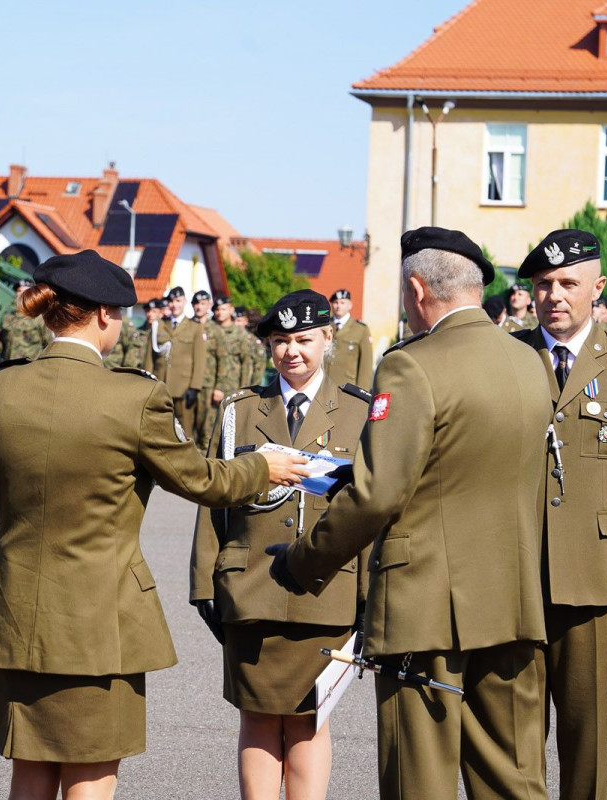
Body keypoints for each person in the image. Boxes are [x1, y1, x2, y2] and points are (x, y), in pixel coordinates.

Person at [0, 249, 310, 800]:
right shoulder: (132, 395)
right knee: (92, 776)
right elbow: (202, 482)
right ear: (102, 315)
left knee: (29, 773)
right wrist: (264, 466)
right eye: (122, 314)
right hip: (100, 618)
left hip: (17, 612)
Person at [269, 227, 552, 800]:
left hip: (427, 607)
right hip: (514, 600)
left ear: (418, 289)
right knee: (513, 780)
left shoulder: (410, 366)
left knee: (417, 782)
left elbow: (377, 494)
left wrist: (304, 562)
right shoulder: (529, 362)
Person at [191, 289, 371, 800]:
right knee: (258, 716)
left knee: (311, 719)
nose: (291, 352)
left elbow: (377, 507)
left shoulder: (360, 412)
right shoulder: (240, 410)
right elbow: (213, 500)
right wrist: (205, 580)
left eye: (304, 340)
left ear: (328, 338)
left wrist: (372, 593)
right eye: (280, 341)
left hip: (327, 591)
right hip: (251, 588)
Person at [509, 229, 607, 800]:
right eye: (544, 284)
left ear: (596, 288)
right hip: (514, 582)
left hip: (596, 584)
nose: (554, 295)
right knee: (514, 749)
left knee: (587, 745)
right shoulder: (510, 358)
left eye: (568, 284)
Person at [163, 286, 206, 443]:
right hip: (161, 388)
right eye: (172, 301)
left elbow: (199, 359)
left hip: (184, 388)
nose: (174, 305)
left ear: (184, 302)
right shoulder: (160, 325)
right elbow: (150, 358)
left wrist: (194, 387)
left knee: (185, 433)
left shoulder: (194, 327)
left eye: (178, 301)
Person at [193, 290, 228, 448]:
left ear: (208, 306)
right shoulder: (186, 326)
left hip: (208, 385)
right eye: (196, 304)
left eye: (203, 304)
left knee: (206, 429)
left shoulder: (216, 330)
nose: (199, 307)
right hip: (186, 386)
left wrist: (219, 387)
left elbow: (223, 359)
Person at [0, 278, 52, 363]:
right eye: (19, 291)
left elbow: (49, 345)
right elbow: (3, 346)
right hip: (9, 367)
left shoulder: (40, 318)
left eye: (26, 291)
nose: (21, 294)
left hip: (31, 369)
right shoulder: (7, 318)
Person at [328, 289, 374, 389]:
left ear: (350, 305)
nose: (338, 306)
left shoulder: (361, 329)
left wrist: (362, 393)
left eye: (342, 303)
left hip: (347, 387)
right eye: (335, 302)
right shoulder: (324, 326)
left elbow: (365, 366)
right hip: (324, 385)